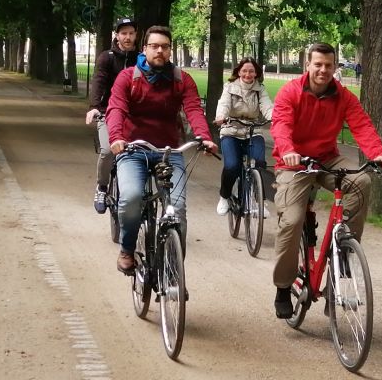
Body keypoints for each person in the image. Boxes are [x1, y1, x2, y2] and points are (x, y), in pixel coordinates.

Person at [270, 42, 382, 319]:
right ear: (308, 65)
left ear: (335, 67)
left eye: (328, 65)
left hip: (326, 159)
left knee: (361, 181)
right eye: (318, 64)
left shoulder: (343, 96)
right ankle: (283, 286)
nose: (323, 70)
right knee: (292, 221)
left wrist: (378, 154)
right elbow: (281, 124)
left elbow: (362, 125)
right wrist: (288, 150)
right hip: (294, 163)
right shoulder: (290, 92)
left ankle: (343, 249)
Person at [107, 25, 218, 274]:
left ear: (170, 50)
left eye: (165, 47)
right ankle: (127, 249)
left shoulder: (181, 79)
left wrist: (204, 137)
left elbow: (193, 109)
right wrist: (116, 138)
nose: (159, 51)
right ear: (144, 49)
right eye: (154, 46)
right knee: (132, 198)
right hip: (133, 150)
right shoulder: (128, 77)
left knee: (177, 208)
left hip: (170, 151)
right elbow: (116, 108)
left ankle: (174, 273)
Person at [86, 18, 139, 213]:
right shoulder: (106, 58)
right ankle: (102, 187)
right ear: (117, 36)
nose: (127, 37)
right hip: (108, 112)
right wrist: (94, 107)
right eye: (123, 33)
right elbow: (98, 82)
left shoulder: (141, 58)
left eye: (131, 33)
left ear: (136, 35)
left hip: (135, 115)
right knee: (108, 150)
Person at [213, 57, 274, 216]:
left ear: (256, 73)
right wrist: (221, 116)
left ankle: (259, 201)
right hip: (231, 130)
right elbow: (224, 104)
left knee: (260, 163)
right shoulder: (229, 87)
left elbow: (267, 106)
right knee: (232, 166)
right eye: (244, 71)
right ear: (238, 72)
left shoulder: (260, 89)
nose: (248, 74)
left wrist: (275, 117)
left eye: (251, 71)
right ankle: (224, 196)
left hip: (253, 131)